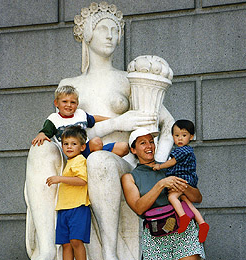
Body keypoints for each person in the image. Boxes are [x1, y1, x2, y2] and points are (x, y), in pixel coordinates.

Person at [25, 2, 175, 260]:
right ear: (87, 34)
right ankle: (48, 249)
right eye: (103, 28)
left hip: (119, 161)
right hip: (74, 158)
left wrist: (157, 164)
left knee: (99, 160)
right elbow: (64, 131)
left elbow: (168, 124)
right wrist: (117, 122)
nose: (110, 35)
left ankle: (110, 253)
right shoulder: (70, 85)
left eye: (115, 30)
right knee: (40, 150)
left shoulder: (128, 79)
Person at [121, 127, 205, 260]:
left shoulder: (170, 167)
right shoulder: (130, 177)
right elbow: (138, 208)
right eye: (143, 143)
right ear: (133, 150)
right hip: (156, 234)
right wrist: (161, 184)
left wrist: (182, 185)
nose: (149, 146)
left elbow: (197, 198)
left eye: (151, 141)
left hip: (183, 230)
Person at [31, 85, 129, 158]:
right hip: (72, 153)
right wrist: (41, 134)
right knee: (96, 142)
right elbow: (45, 131)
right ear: (56, 103)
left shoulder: (80, 114)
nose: (69, 105)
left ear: (77, 104)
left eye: (72, 102)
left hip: (86, 149)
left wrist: (114, 121)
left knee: (123, 147)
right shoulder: (53, 119)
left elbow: (94, 119)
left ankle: (97, 163)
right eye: (64, 101)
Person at [152, 120, 209, 243]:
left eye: (184, 135)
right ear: (172, 136)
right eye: (177, 135)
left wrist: (160, 166)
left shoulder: (182, 150)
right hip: (187, 179)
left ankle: (183, 217)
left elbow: (172, 162)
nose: (180, 139)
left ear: (191, 136)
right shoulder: (186, 150)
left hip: (183, 179)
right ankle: (202, 223)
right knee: (187, 201)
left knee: (172, 197)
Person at [46, 125, 90, 260]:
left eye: (74, 144)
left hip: (78, 207)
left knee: (76, 241)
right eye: (65, 144)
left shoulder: (79, 160)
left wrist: (60, 179)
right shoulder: (68, 162)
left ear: (82, 147)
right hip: (63, 208)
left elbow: (82, 180)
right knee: (65, 244)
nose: (69, 147)